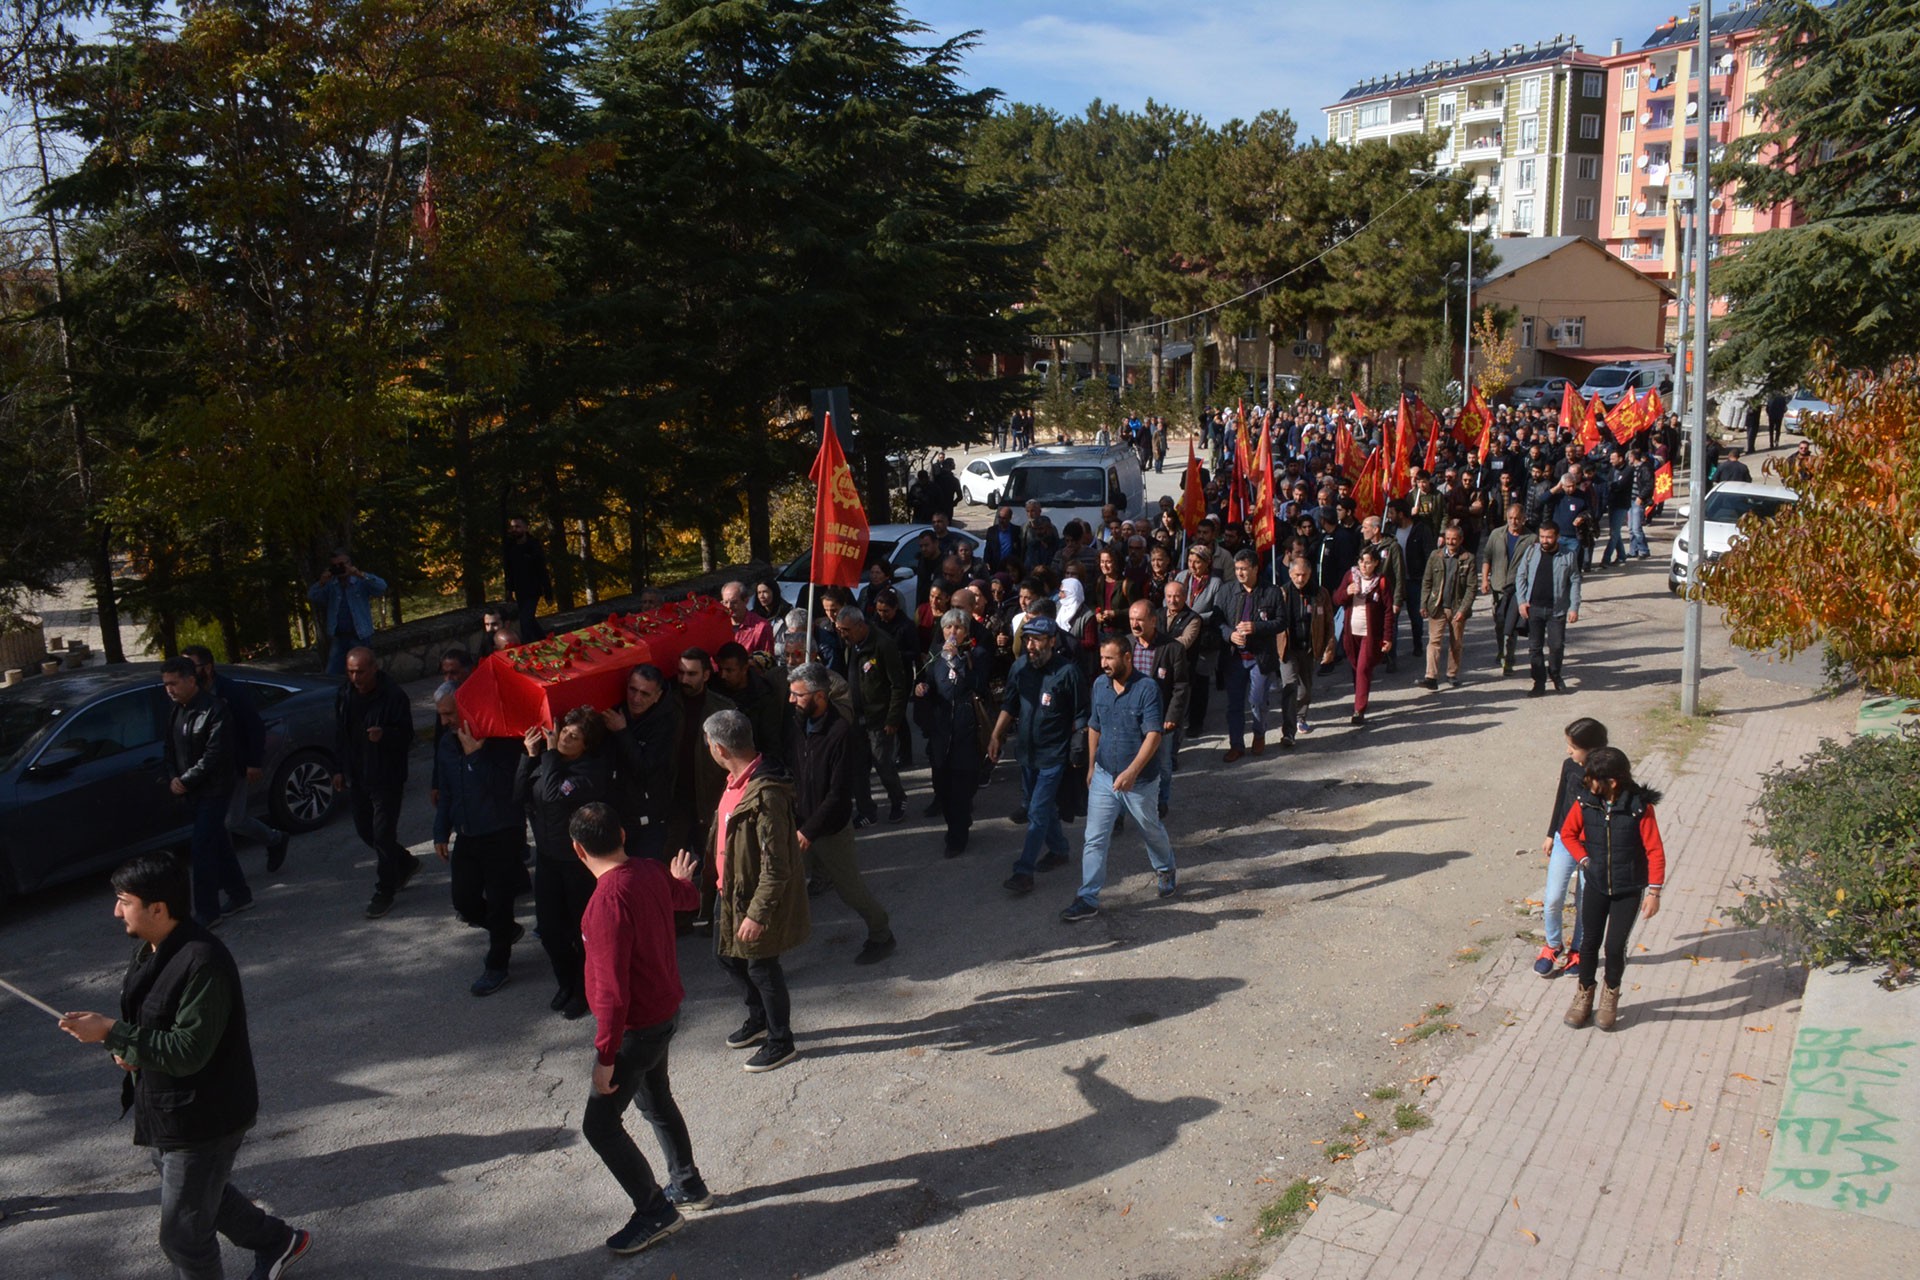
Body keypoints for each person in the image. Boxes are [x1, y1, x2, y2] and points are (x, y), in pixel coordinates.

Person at [57, 854, 312, 1280]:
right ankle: (278, 1241)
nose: (115, 910)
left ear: (158, 908)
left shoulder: (202, 961)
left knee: (182, 1237)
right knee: (203, 1198)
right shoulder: (149, 950)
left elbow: (189, 1048)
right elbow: (151, 1027)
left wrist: (113, 1034)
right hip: (166, 1111)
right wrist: (122, 1047)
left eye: (124, 900)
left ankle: (276, 1241)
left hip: (204, 1119)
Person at [571, 803, 709, 1256]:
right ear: (623, 835)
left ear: (577, 850)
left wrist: (604, 1058)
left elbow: (611, 994)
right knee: (656, 1099)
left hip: (638, 1028)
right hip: (665, 1013)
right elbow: (687, 901)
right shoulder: (649, 871)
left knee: (600, 1125)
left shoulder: (604, 904)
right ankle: (687, 1184)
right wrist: (682, 880)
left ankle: (655, 1211)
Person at [700, 709, 809, 1073]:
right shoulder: (734, 781)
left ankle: (781, 1040)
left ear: (719, 748)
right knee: (727, 957)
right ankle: (758, 1017)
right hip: (727, 893)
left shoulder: (766, 794)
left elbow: (777, 864)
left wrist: (758, 913)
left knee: (762, 968)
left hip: (752, 900)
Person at [1059, 637, 1178, 922]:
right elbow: (1094, 727)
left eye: (1110, 658)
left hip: (1139, 782)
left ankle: (1165, 868)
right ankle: (1088, 897)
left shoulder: (1147, 689)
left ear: (1127, 657)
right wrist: (1090, 766)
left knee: (1150, 829)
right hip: (1103, 775)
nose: (1104, 664)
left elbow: (1153, 736)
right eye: (1102, 658)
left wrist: (1132, 772)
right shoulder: (1100, 685)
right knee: (1094, 839)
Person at [785, 663, 895, 963]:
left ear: (819, 696)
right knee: (784, 882)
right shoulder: (797, 723)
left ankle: (881, 933)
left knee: (850, 890)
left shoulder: (840, 733)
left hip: (829, 829)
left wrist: (809, 831)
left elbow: (837, 794)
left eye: (797, 695)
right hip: (801, 822)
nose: (792, 700)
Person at [1560, 747, 1667, 1031]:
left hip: (1628, 888)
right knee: (1589, 943)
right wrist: (1583, 859)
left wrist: (1654, 893)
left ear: (1612, 781)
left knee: (1615, 946)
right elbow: (1568, 833)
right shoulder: (1585, 803)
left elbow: (1655, 850)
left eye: (1593, 778)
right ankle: (1584, 996)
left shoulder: (1640, 808)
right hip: (1595, 884)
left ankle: (1610, 998)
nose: (1588, 782)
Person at [520, 706, 617, 1020]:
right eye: (565, 731)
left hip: (577, 864)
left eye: (575, 736)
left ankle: (583, 989)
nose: (565, 738)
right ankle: (565, 982)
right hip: (548, 859)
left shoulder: (589, 772)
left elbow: (551, 795)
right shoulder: (548, 762)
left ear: (586, 745)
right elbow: (517, 794)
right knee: (549, 930)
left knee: (580, 933)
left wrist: (547, 756)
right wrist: (528, 756)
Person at [431, 685, 528, 997]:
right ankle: (506, 932)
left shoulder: (499, 740)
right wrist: (440, 831)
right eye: (441, 715)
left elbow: (508, 790)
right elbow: (446, 791)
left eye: (449, 714)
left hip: (501, 832)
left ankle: (497, 965)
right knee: (465, 901)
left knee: (500, 904)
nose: (444, 721)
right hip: (469, 834)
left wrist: (477, 756)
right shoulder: (447, 744)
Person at [988, 616, 1089, 896]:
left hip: (1054, 756)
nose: (1030, 646)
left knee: (1036, 811)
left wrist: (1080, 751)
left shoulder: (1068, 672)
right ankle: (1059, 849)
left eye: (1037, 640)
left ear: (1052, 641)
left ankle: (1024, 871)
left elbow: (1082, 714)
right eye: (1027, 639)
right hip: (1027, 754)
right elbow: (1009, 703)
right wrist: (996, 735)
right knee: (1040, 808)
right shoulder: (1020, 668)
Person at [159, 657, 252, 928]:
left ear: (191, 680)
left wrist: (185, 780)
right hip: (192, 792)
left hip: (215, 789)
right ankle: (240, 894)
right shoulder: (176, 710)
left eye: (174, 683)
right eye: (165, 684)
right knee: (217, 841)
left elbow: (216, 756)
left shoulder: (215, 710)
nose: (169, 689)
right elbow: (169, 750)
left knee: (201, 849)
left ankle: (207, 912)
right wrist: (173, 777)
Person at [181, 647, 290, 873]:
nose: (186, 674)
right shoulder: (190, 695)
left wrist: (253, 761)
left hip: (233, 765)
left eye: (191, 668)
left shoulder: (230, 691)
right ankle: (229, 876)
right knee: (216, 823)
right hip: (207, 768)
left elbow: (254, 726)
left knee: (232, 820)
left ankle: (274, 839)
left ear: (207, 668)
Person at [334, 647, 418, 920]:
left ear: (374, 668)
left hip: (386, 777)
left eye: (360, 671)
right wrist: (338, 770)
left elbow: (407, 737)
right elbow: (341, 734)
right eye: (350, 671)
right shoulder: (345, 694)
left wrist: (386, 735)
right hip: (359, 776)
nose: (355, 677)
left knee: (382, 835)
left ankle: (385, 889)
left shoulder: (393, 697)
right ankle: (404, 862)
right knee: (365, 831)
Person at [1534, 717, 1609, 978]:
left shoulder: (1606, 775)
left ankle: (1578, 949)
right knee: (1553, 897)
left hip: (1593, 847)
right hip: (1565, 840)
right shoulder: (1569, 766)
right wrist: (1550, 833)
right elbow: (1561, 798)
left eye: (1573, 746)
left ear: (1591, 749)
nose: (1568, 750)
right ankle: (1553, 945)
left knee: (1584, 902)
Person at [918, 611, 990, 854]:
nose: (952, 633)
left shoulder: (974, 654)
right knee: (943, 787)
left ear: (966, 632)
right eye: (948, 627)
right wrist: (923, 688)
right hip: (941, 731)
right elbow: (928, 681)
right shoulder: (935, 655)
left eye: (958, 628)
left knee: (961, 787)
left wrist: (958, 660)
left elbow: (979, 684)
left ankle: (956, 838)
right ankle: (956, 821)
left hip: (965, 730)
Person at [833, 607, 908, 828]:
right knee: (858, 768)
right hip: (856, 719)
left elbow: (898, 685)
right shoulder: (850, 646)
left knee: (883, 764)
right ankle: (867, 811)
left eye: (846, 629)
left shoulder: (883, 645)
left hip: (879, 719)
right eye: (839, 630)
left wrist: (893, 719)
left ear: (860, 625)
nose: (843, 634)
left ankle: (898, 799)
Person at [603, 665, 677, 861]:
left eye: (645, 693)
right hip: (615, 813)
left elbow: (646, 769)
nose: (636, 699)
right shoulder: (614, 710)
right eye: (633, 690)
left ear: (657, 696)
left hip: (648, 818)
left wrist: (622, 733)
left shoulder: (665, 723)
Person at [1216, 550, 1284, 762]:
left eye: (1244, 569)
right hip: (1235, 657)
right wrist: (1230, 635)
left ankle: (1259, 732)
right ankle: (1236, 744)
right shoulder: (1227, 590)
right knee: (1234, 704)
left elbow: (1281, 622)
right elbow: (1217, 622)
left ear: (1255, 568)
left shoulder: (1271, 592)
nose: (1240, 573)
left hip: (1260, 656)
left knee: (1257, 700)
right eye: (1237, 569)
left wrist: (1257, 627)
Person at [1126, 599, 1188, 816]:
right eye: (1132, 619)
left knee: (1163, 764)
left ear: (1153, 621)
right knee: (1126, 762)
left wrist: (1172, 716)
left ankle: (1161, 801)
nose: (1134, 624)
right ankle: (1121, 812)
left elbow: (1180, 686)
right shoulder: (1126, 645)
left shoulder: (1172, 649)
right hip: (1130, 717)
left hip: (1160, 719)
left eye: (1140, 620)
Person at [1515, 521, 1582, 696]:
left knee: (1557, 646)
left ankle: (1556, 675)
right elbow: (1520, 576)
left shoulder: (1569, 555)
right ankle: (1539, 682)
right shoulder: (1531, 552)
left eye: (1549, 537)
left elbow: (1575, 581)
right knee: (1534, 648)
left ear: (1557, 537)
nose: (1544, 540)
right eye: (1542, 536)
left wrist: (1574, 607)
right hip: (1533, 608)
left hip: (1557, 609)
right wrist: (1521, 601)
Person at [1275, 556, 1333, 746]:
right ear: (1290, 574)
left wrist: (1329, 647)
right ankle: (1288, 732)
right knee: (1290, 687)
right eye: (1296, 575)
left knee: (1305, 690)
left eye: (1304, 575)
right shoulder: (1281, 593)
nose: (1300, 579)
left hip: (1309, 647)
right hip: (1288, 648)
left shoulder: (1320, 594)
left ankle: (1301, 716)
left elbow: (1328, 623)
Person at [1333, 546, 1391, 727]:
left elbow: (1388, 611)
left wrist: (1387, 637)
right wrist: (1346, 592)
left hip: (1370, 634)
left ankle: (1359, 709)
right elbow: (1337, 599)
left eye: (1368, 562)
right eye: (1361, 561)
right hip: (1351, 632)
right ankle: (1359, 693)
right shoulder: (1350, 577)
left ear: (1375, 563)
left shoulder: (1381, 582)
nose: (1364, 566)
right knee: (1355, 666)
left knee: (1363, 669)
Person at [1419, 521, 1478, 690]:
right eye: (1448, 538)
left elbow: (1471, 588)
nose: (1450, 542)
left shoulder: (1468, 558)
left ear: (1461, 540)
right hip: (1437, 606)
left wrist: (1463, 610)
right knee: (1434, 641)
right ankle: (1431, 677)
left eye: (1454, 539)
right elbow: (1427, 581)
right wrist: (1424, 603)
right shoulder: (1435, 556)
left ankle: (1452, 674)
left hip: (1457, 608)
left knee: (1456, 643)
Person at [1480, 502, 1535, 677]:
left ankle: (1508, 659)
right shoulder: (1496, 534)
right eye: (1511, 518)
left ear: (1524, 519)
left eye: (1518, 518)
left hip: (1517, 589)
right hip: (1498, 586)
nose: (1514, 521)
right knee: (1499, 623)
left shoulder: (1531, 539)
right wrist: (1484, 580)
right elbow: (1487, 557)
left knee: (1510, 626)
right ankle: (1501, 650)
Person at [713, 642, 788, 767]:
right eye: (720, 669)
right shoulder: (714, 688)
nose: (723, 675)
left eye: (729, 670)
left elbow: (771, 742)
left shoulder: (763, 695)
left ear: (744, 669)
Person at [503, 516, 553, 642]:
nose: (514, 530)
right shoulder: (510, 547)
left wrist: (548, 593)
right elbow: (508, 571)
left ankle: (528, 646)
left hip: (533, 590)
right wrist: (509, 590)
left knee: (525, 622)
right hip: (520, 590)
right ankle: (545, 640)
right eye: (513, 527)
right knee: (529, 620)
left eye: (518, 526)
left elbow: (542, 570)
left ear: (525, 528)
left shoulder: (533, 546)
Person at [721, 581, 774, 655]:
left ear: (746, 601)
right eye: (725, 602)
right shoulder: (719, 625)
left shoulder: (761, 627)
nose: (729, 606)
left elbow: (768, 660)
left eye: (734, 602)